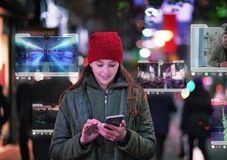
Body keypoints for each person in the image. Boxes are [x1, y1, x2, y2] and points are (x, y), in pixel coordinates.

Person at [49, 32, 156, 160]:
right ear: (91, 63)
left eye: (112, 65)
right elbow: (55, 152)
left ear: (119, 64)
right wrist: (81, 141)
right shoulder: (71, 98)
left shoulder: (135, 95)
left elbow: (150, 149)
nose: (105, 71)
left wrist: (126, 137)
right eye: (100, 64)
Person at [180, 78, 211, 160]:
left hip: (191, 125)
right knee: (202, 146)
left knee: (190, 147)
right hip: (203, 123)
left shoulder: (190, 96)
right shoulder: (206, 95)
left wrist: (183, 127)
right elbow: (210, 111)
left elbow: (185, 112)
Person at [147, 93, 177, 160]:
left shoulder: (151, 96)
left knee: (152, 143)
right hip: (163, 123)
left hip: (153, 122)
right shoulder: (168, 96)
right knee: (160, 144)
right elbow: (174, 109)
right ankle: (158, 157)